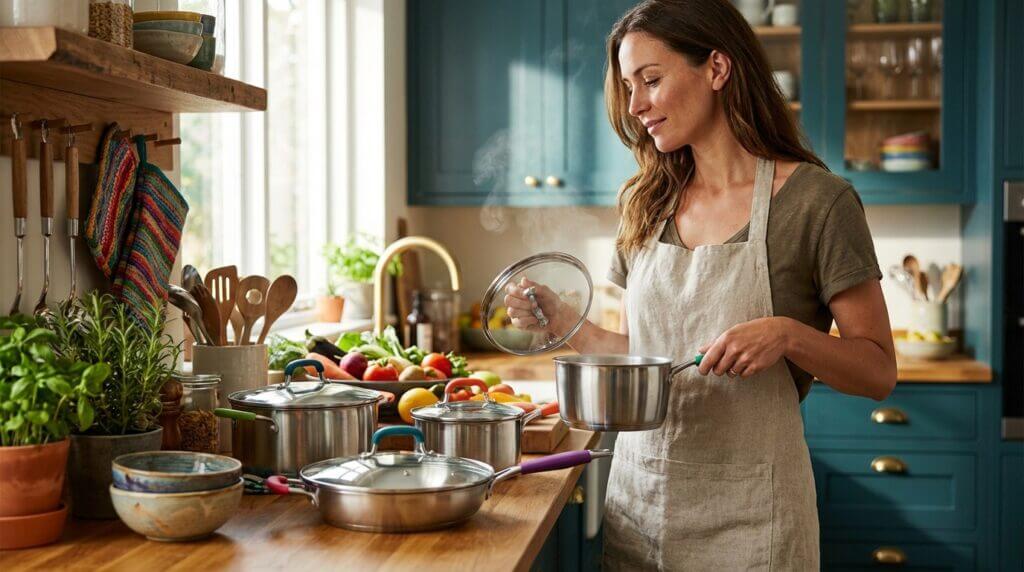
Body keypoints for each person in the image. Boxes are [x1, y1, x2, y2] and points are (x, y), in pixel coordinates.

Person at [503, 0, 898, 569]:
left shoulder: (817, 203)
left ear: (717, 68)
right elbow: (649, 360)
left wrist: (787, 335)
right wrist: (565, 323)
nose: (635, 105)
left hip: (756, 524)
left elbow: (878, 371)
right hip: (643, 511)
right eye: (627, 86)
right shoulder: (646, 202)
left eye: (651, 80)